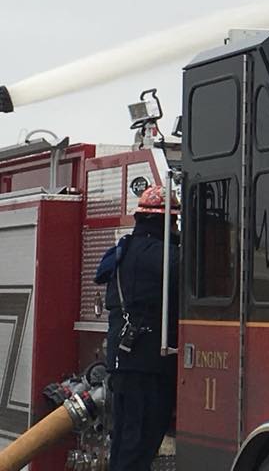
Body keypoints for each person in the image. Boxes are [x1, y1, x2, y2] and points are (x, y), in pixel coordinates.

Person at [95, 185, 179, 471]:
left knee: (124, 441)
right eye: (175, 221)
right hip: (150, 365)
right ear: (166, 221)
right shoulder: (167, 256)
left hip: (122, 363)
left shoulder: (122, 251)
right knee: (141, 443)